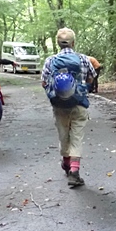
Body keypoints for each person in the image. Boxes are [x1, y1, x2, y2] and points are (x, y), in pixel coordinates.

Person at [41, 28, 96, 187]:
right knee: (76, 137)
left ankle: (66, 163)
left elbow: (44, 82)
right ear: (73, 42)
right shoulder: (83, 59)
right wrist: (84, 89)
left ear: (58, 43)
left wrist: (55, 94)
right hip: (79, 104)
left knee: (63, 134)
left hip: (58, 105)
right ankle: (74, 172)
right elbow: (92, 77)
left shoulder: (50, 61)